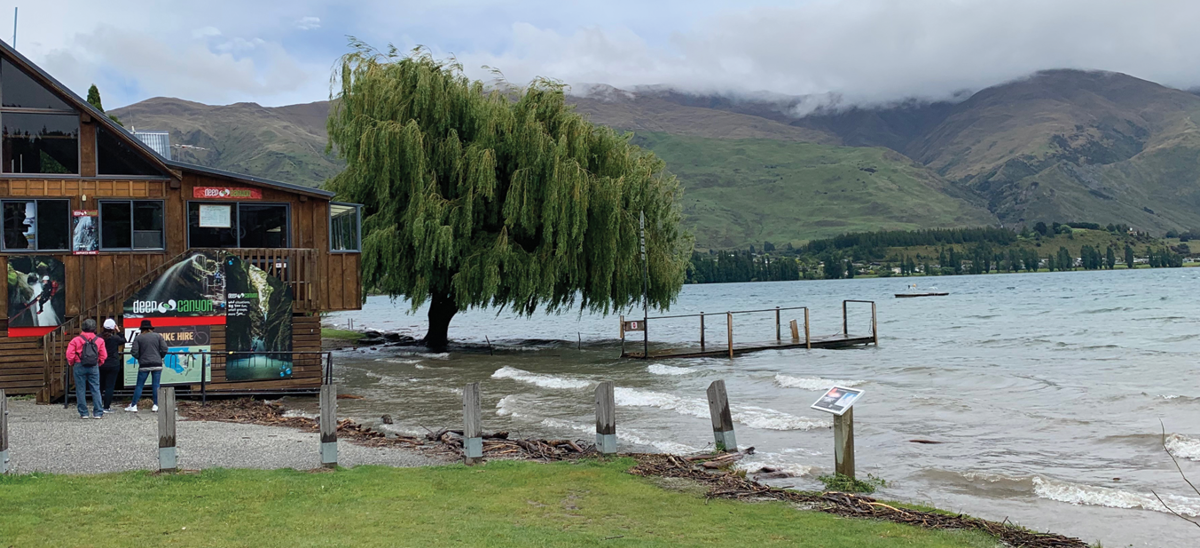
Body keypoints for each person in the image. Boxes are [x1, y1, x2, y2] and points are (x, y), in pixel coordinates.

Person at [65, 319, 108, 419]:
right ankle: (98, 412)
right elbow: (104, 355)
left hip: (79, 365)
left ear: (83, 327)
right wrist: (99, 362)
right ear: (94, 328)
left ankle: (84, 413)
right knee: (95, 389)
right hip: (93, 366)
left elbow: (69, 354)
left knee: (80, 389)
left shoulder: (75, 340)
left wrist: (72, 362)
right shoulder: (100, 340)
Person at [126, 319, 169, 413]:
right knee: (156, 385)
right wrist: (160, 356)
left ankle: (133, 405)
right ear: (150, 328)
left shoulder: (139, 338)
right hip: (157, 364)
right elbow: (165, 348)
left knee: (140, 385)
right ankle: (156, 405)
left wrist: (140, 358)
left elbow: (134, 352)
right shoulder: (158, 336)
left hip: (144, 364)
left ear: (142, 329)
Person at [98, 318, 126, 413]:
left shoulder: (98, 337)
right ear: (113, 328)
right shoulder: (115, 338)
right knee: (110, 386)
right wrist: (118, 331)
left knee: (99, 385)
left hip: (101, 363)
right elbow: (124, 340)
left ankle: (98, 405)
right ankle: (106, 407)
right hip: (113, 364)